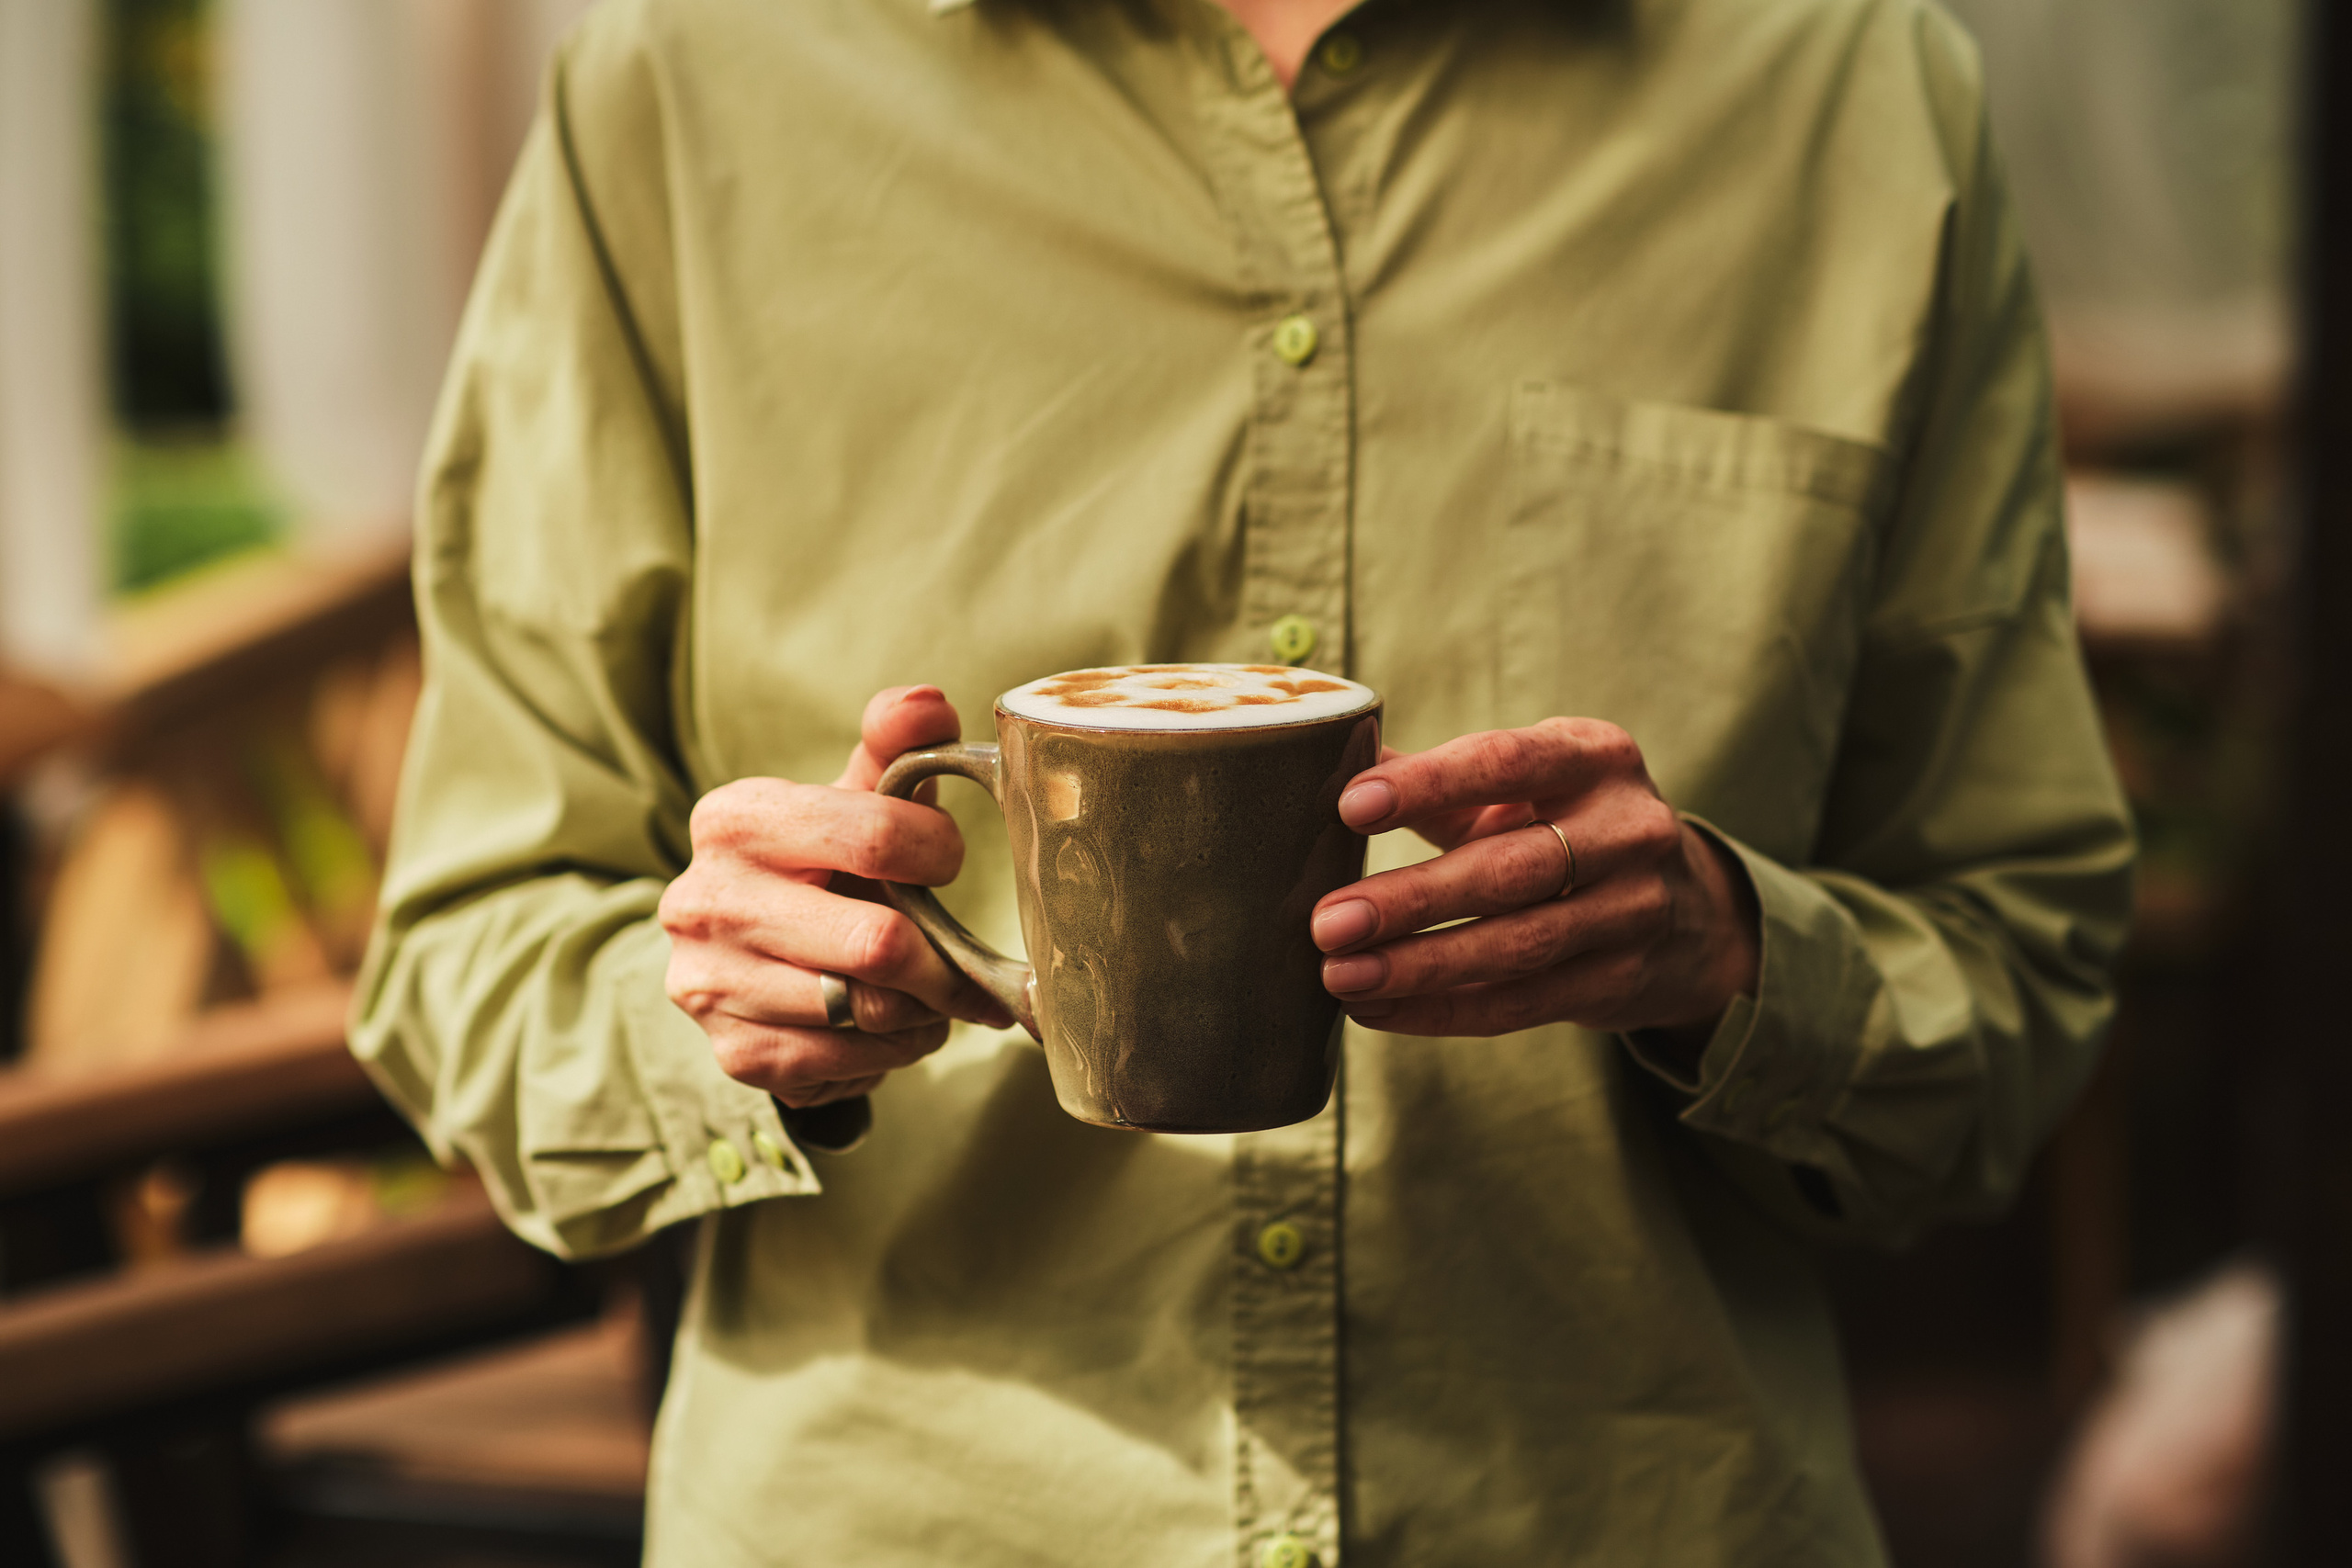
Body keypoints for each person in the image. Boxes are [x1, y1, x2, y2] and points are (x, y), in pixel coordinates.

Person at [353, 0, 2136, 1560]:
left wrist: (1738, 954)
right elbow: (465, 959)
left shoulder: (1855, 91)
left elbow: (2021, 965)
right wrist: (715, 1009)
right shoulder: (680, 88)